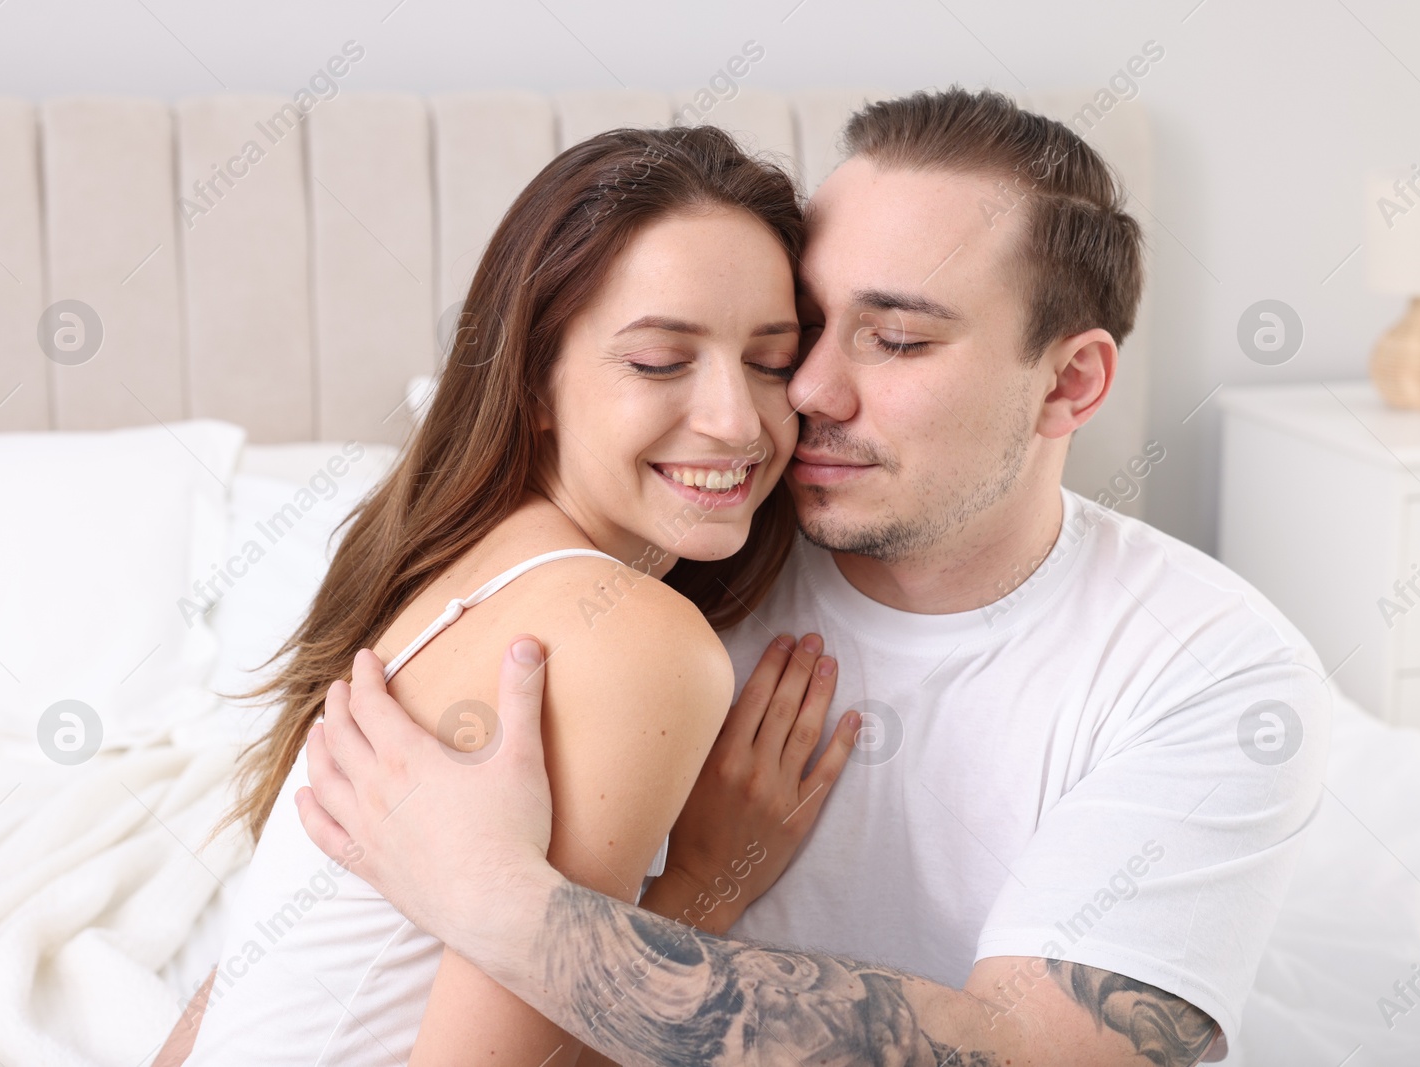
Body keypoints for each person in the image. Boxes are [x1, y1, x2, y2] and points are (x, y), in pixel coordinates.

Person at [294, 87, 1333, 1066]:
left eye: (893, 339)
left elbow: (1038, 1054)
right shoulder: (680, 538)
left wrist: (493, 898)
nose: (802, 391)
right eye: (798, 330)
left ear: (1068, 380)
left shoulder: (1208, 668)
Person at [158, 124, 866, 1066]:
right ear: (532, 378)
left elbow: (230, 1001)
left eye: (771, 362)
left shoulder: (442, 555)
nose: (737, 421)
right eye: (660, 361)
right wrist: (705, 878)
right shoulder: (633, 642)